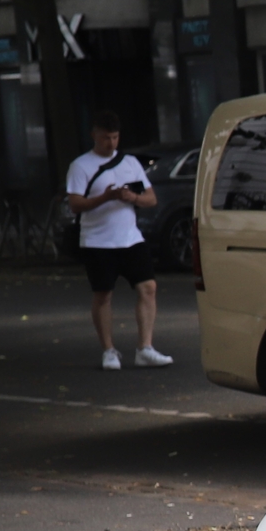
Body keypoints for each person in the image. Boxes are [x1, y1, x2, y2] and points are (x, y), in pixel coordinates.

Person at [66, 110, 170, 370]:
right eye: (105, 138)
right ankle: (108, 350)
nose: (111, 143)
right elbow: (75, 204)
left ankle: (145, 347)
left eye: (114, 137)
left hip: (131, 238)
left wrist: (132, 198)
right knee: (103, 295)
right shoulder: (81, 166)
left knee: (148, 288)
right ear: (94, 135)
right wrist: (106, 197)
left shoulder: (130, 163)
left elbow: (151, 198)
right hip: (97, 241)